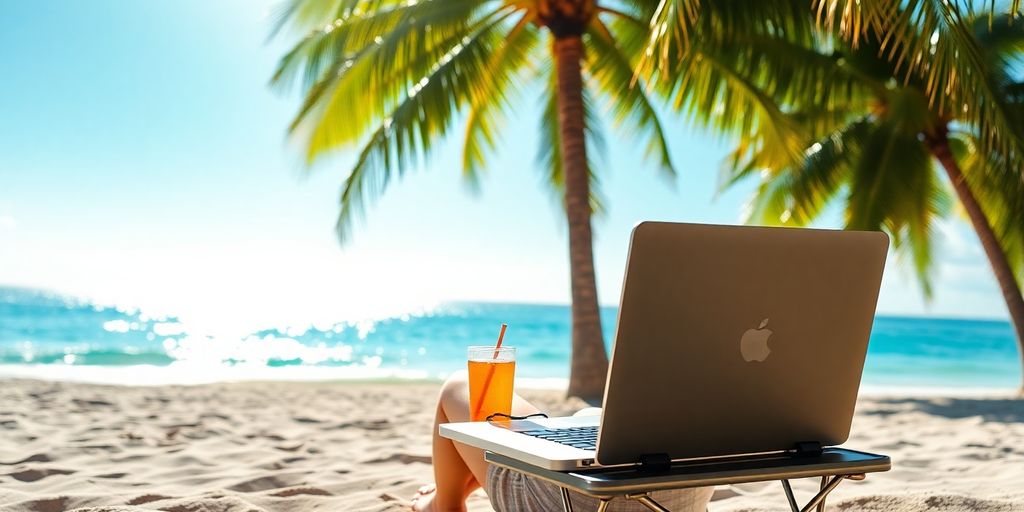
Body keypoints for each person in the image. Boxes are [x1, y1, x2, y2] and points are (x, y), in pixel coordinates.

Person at [410, 372, 714, 512]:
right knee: (587, 417)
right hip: (684, 497)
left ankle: (445, 504)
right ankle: (462, 484)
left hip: (576, 500)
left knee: (458, 385)